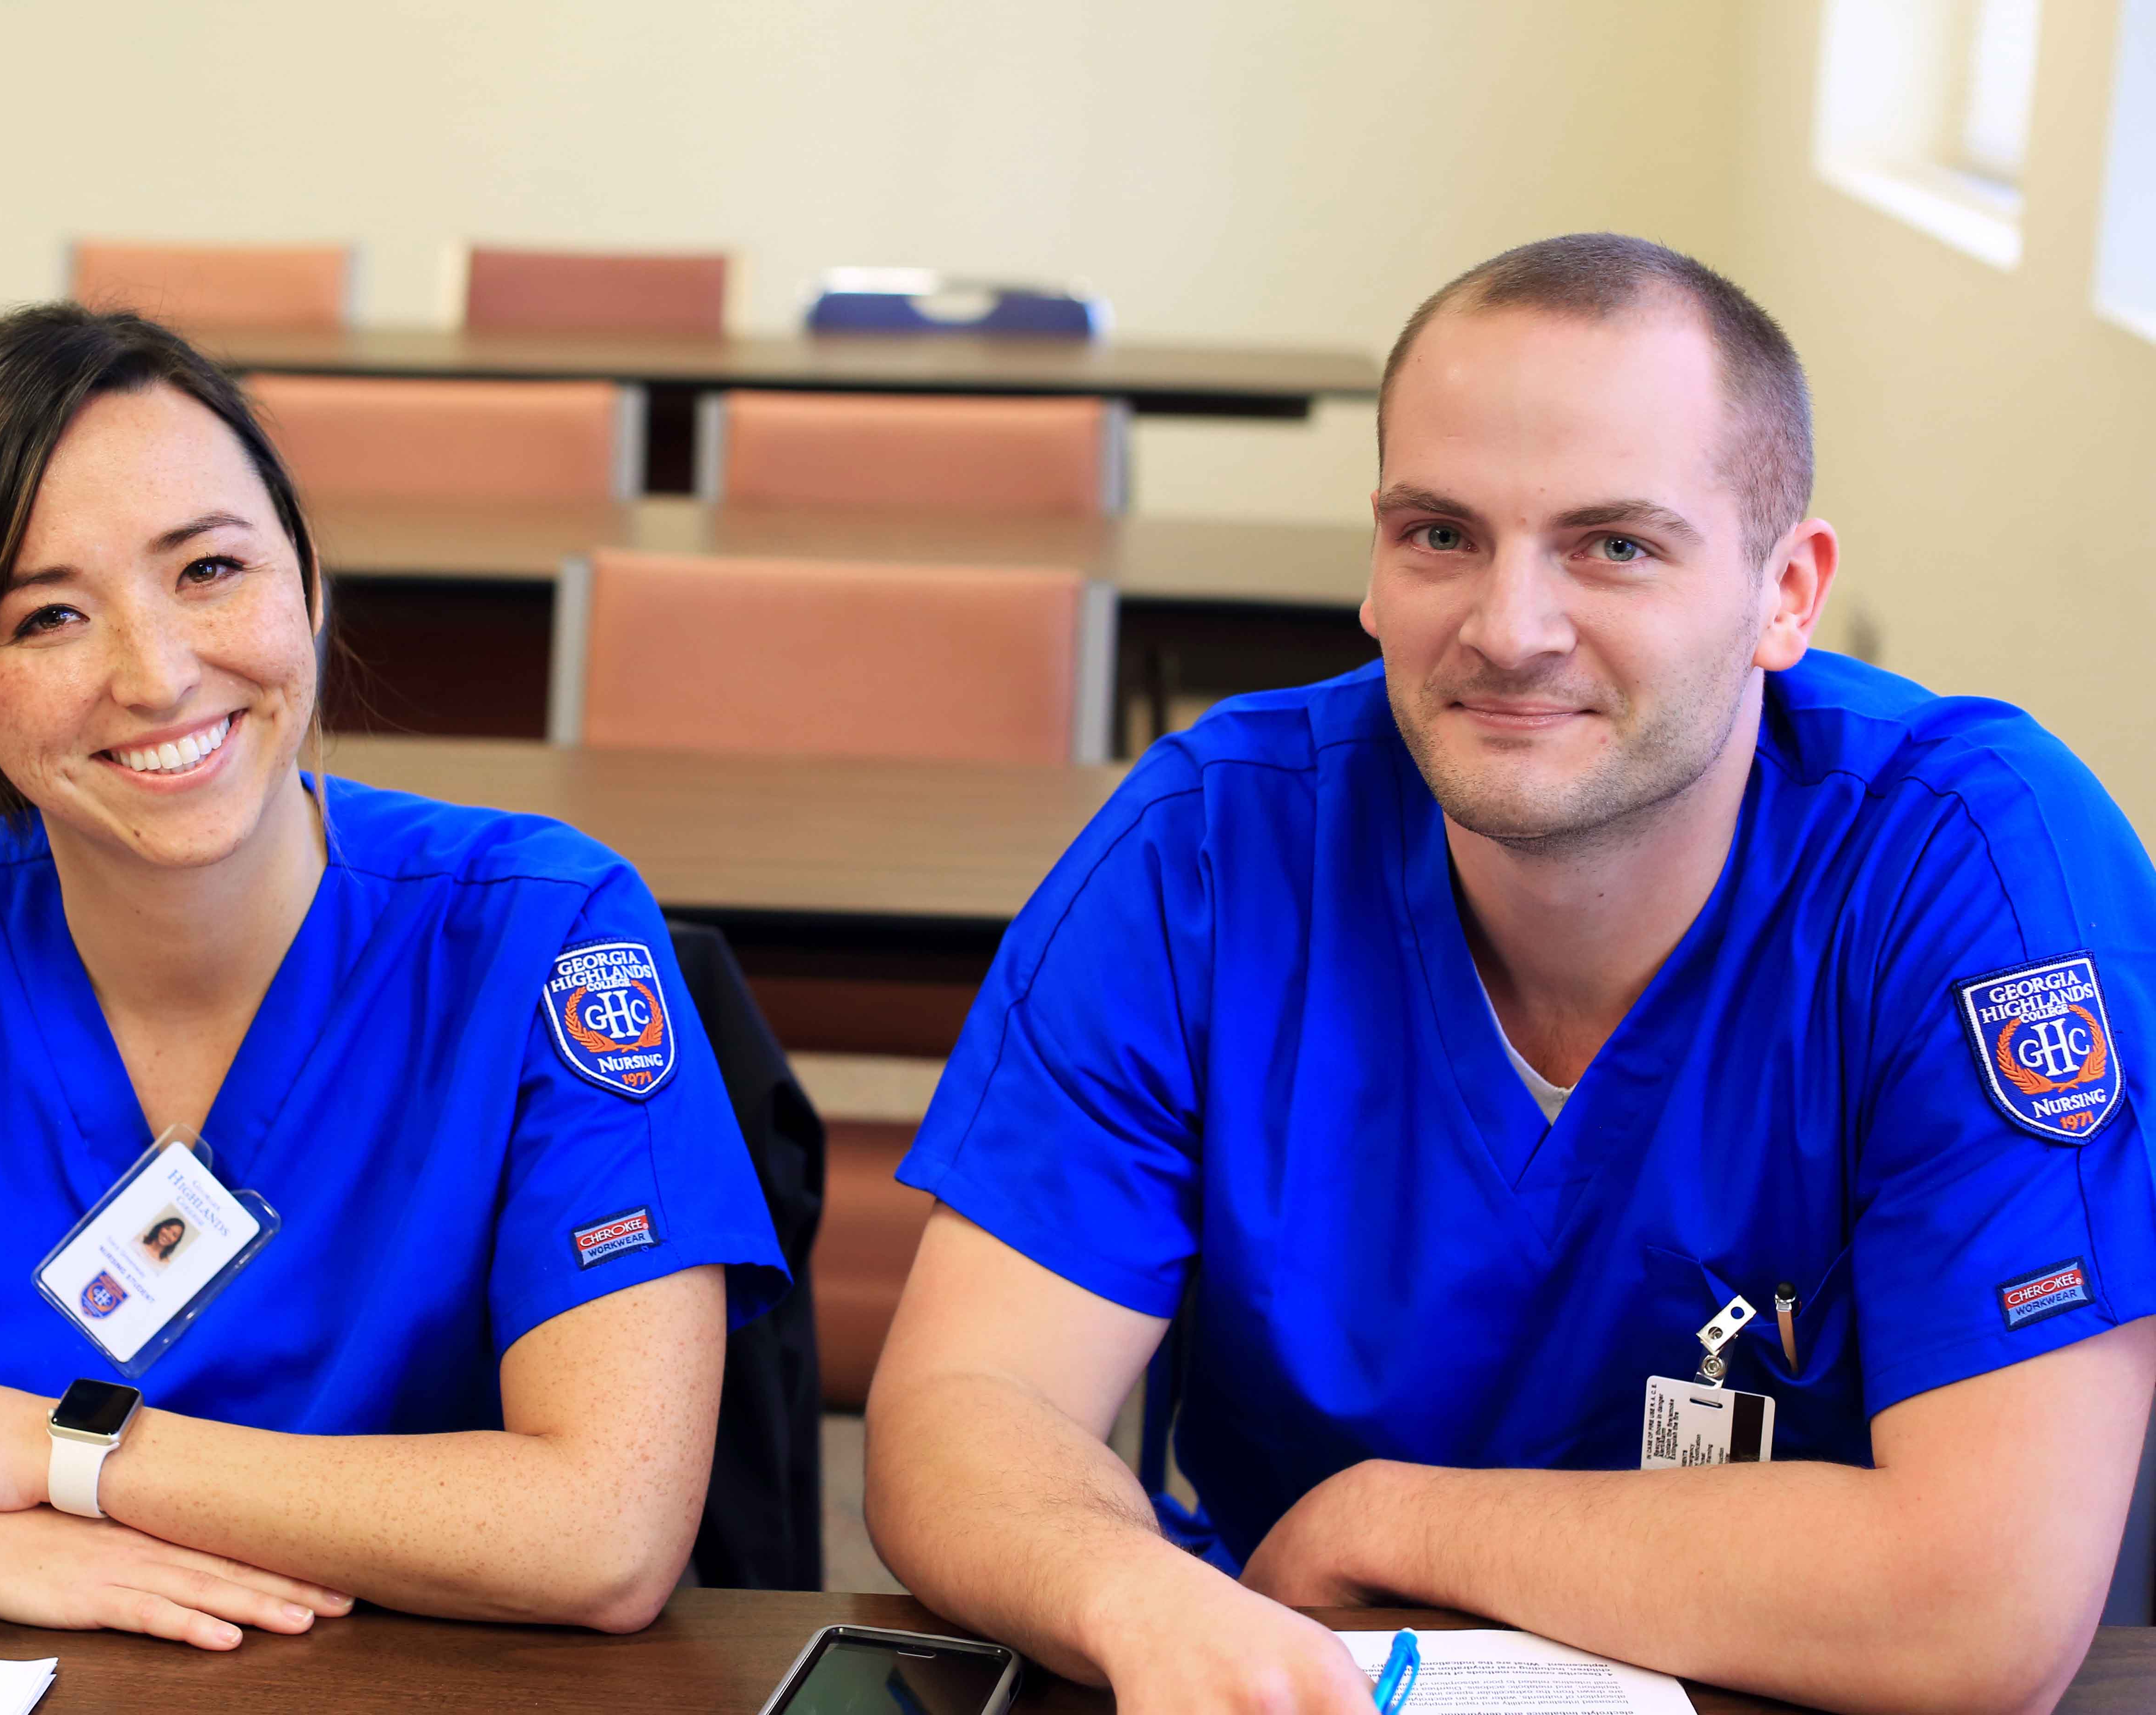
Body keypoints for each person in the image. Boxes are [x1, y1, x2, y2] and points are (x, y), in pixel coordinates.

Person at [863, 233, 2156, 1715]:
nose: (1508, 629)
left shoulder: (1969, 868)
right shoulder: (1209, 849)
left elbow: (1980, 1607)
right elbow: (967, 1407)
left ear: (1786, 594)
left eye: (1615, 546)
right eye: (1440, 535)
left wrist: (1389, 1518)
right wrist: (1134, 1592)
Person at [0, 305, 785, 1647]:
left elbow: (604, 1534)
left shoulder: (541, 938)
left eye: (209, 570)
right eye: (46, 617)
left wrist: (56, 1456)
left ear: (309, 581)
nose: (155, 675)